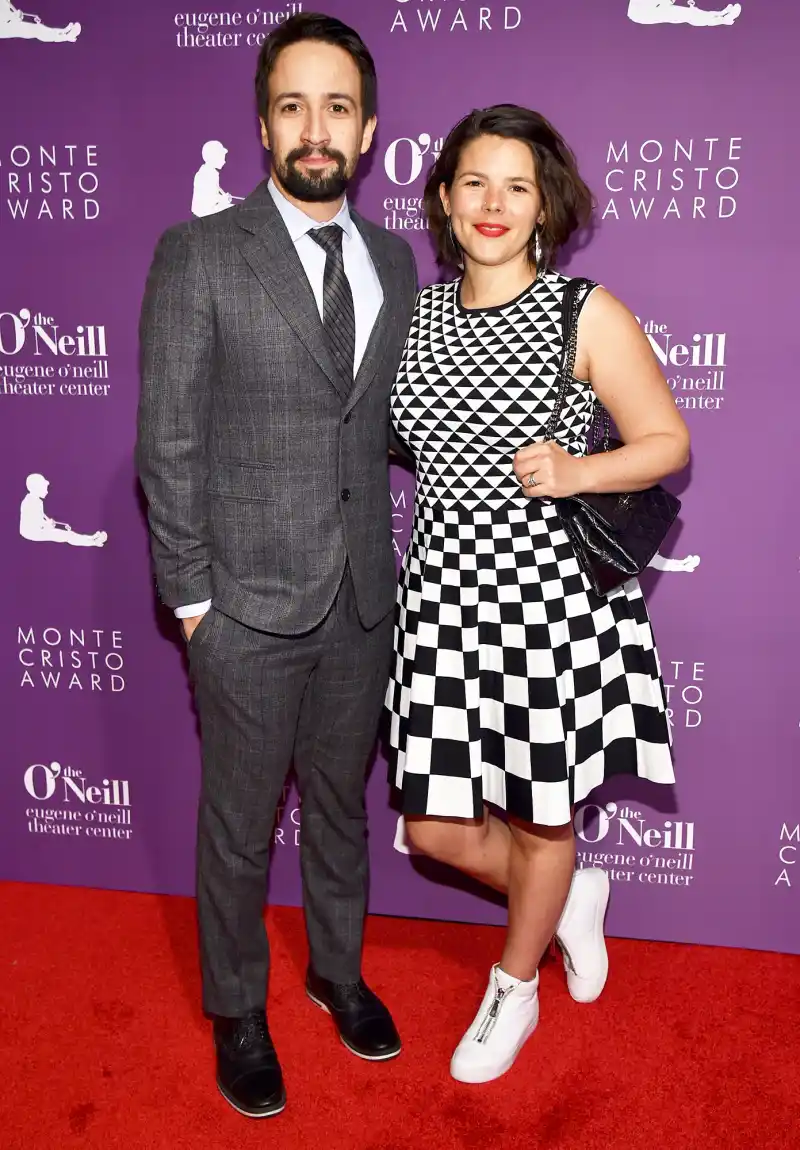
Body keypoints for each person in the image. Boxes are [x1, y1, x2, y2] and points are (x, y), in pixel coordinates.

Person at [136, 12, 417, 1120]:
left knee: (342, 807)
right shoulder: (198, 252)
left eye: (336, 106)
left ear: (368, 127)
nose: (315, 128)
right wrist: (196, 603)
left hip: (359, 596)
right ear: (261, 125)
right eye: (292, 105)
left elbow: (393, 421)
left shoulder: (394, 260)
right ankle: (239, 1008)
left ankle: (337, 973)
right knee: (239, 822)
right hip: (243, 605)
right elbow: (168, 440)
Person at [386, 104, 690, 1084]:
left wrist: (572, 471)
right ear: (442, 197)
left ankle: (513, 989)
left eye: (516, 185)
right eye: (473, 181)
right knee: (430, 825)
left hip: (549, 606)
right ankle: (568, 898)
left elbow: (664, 443)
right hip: (438, 600)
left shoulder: (581, 311)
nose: (493, 203)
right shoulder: (416, 316)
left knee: (538, 812)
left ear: (542, 205)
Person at [19, 474, 107, 546]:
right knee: (66, 535)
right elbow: (35, 524)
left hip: (35, 531)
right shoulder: (31, 503)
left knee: (67, 534)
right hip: (31, 533)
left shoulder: (35, 500)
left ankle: (91, 539)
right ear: (36, 488)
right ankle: (93, 541)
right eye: (44, 487)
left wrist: (48, 522)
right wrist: (47, 525)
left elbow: (40, 517)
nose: (46, 491)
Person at [0, 1, 80, 41]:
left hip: (7, 22)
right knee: (36, 30)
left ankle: (64, 32)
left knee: (38, 28)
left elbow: (9, 8)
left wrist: (29, 16)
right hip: (3, 27)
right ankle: (66, 36)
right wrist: (13, 16)